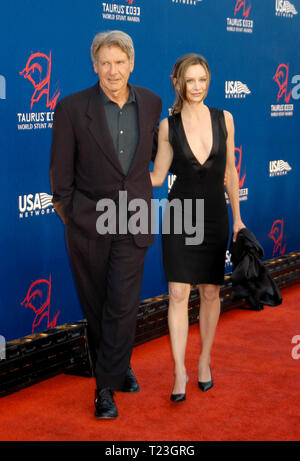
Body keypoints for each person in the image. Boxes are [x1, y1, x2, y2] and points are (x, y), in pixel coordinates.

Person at [50, 30, 162, 418]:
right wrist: (74, 218)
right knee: (96, 303)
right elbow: (60, 179)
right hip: (88, 224)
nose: (113, 71)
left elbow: (147, 160)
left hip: (134, 218)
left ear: (132, 64)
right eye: (105, 63)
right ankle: (119, 366)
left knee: (123, 302)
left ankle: (104, 389)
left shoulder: (151, 102)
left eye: (120, 62)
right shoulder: (70, 108)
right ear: (94, 66)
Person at [150, 54, 245, 401]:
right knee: (177, 293)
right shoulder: (167, 126)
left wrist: (237, 218)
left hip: (215, 215)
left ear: (209, 80)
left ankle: (204, 360)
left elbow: (231, 172)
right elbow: (158, 176)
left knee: (209, 292)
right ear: (177, 82)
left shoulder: (225, 119)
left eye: (202, 79)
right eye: (190, 80)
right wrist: (114, 174)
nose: (197, 87)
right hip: (179, 214)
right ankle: (180, 371)